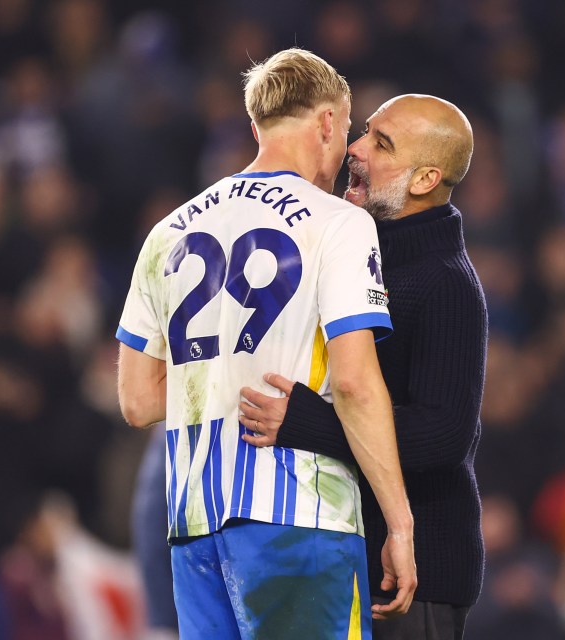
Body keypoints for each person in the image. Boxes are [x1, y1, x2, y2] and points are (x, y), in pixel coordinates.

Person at [115, 48, 416, 639]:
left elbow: (137, 401)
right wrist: (399, 525)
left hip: (194, 525)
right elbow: (354, 383)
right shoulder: (338, 223)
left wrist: (224, 370)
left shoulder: (167, 232)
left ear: (257, 127)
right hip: (301, 519)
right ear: (328, 122)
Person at [238, 94, 487, 640]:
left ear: (424, 179)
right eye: (365, 131)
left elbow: (444, 434)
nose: (354, 148)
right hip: (345, 550)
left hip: (415, 577)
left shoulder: (446, 282)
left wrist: (308, 423)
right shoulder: (353, 253)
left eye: (381, 143)